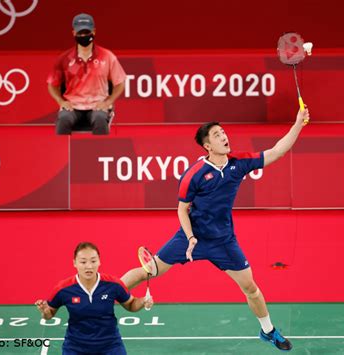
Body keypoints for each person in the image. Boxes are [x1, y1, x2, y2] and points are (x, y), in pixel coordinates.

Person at [121, 108, 310, 352]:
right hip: (192, 238)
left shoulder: (238, 163)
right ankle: (107, 291)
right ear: (207, 145)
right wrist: (190, 238)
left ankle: (268, 331)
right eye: (217, 135)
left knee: (250, 287)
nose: (224, 137)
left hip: (223, 241)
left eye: (223, 132)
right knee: (151, 270)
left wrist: (298, 124)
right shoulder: (194, 174)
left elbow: (277, 151)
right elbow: (182, 210)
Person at [36, 242, 152, 355]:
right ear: (74, 263)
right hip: (76, 347)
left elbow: (131, 304)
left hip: (110, 346)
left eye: (93, 261)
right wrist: (46, 312)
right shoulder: (63, 289)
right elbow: (49, 314)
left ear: (99, 262)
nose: (89, 266)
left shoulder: (113, 284)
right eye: (83, 262)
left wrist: (142, 301)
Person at [47, 13, 126, 135]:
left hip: (97, 106)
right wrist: (61, 101)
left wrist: (108, 102)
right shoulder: (64, 59)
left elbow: (120, 83)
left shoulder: (107, 56)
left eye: (86, 32)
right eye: (80, 33)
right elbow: (52, 84)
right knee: (63, 119)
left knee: (100, 119)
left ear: (94, 32)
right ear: (73, 33)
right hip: (72, 106)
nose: (83, 36)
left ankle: (100, 153)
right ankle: (62, 153)